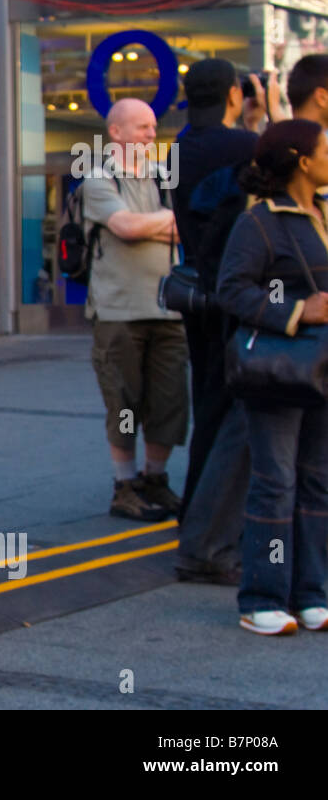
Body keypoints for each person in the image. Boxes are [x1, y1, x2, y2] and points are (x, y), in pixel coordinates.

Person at [215, 119, 328, 635]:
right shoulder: (259, 222)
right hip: (280, 370)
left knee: (316, 483)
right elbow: (233, 290)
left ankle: (310, 593)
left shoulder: (322, 214)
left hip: (322, 370)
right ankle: (262, 596)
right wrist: (298, 309)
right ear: (303, 161)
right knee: (275, 482)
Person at [170, 59, 265, 583]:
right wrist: (265, 116)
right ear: (234, 93)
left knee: (207, 401)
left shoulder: (180, 149)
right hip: (240, 297)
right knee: (232, 412)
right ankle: (211, 526)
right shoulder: (244, 147)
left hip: (200, 293)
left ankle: (196, 514)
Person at [81, 98, 187, 521]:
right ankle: (123, 486)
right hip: (117, 313)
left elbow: (187, 230)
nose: (150, 134)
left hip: (169, 311)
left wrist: (149, 224)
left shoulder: (165, 176)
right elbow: (124, 227)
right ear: (116, 133)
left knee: (170, 402)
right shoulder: (98, 178)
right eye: (141, 127)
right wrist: (164, 222)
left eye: (152, 126)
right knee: (124, 405)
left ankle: (154, 480)